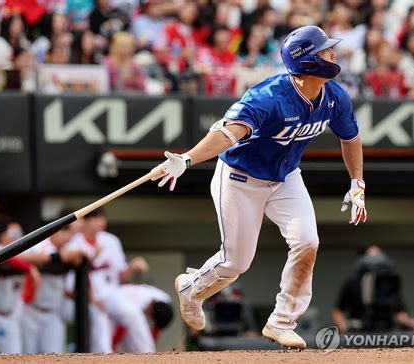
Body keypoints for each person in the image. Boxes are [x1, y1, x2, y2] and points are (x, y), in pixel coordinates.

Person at [152, 25, 367, 349]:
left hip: (286, 177)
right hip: (240, 178)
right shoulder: (268, 97)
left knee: (308, 241)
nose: (334, 54)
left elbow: (350, 139)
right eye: (326, 50)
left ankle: (282, 322)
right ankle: (191, 289)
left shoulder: (334, 96)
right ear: (309, 63)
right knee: (235, 264)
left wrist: (357, 182)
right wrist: (187, 160)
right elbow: (226, 134)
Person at [65, 209, 153, 352]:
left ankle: (149, 356)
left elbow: (121, 275)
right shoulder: (74, 243)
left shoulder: (110, 240)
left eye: (102, 218)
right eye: (95, 218)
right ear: (84, 222)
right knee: (101, 332)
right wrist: (92, 299)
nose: (101, 222)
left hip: (112, 294)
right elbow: (70, 287)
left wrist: (132, 267)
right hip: (88, 300)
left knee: (133, 313)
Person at [20, 223, 87, 353]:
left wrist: (64, 256)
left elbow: (82, 257)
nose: (67, 237)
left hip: (53, 312)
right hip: (31, 310)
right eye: (63, 232)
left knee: (55, 355)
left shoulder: (69, 246)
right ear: (54, 232)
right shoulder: (39, 245)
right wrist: (31, 265)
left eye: (68, 234)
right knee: (27, 355)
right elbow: (42, 257)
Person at [332, 245, 414, 333]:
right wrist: (344, 328)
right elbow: (338, 311)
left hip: (387, 332)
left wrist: (410, 322)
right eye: (372, 254)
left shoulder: (389, 283)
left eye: (379, 254)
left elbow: (399, 312)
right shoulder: (352, 283)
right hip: (360, 332)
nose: (377, 257)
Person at [0, 218, 41, 354]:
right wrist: (29, 267)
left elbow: (44, 256)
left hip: (11, 316)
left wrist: (27, 261)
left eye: (20, 234)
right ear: (1, 235)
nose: (18, 237)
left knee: (15, 356)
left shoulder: (27, 253)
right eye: (13, 233)